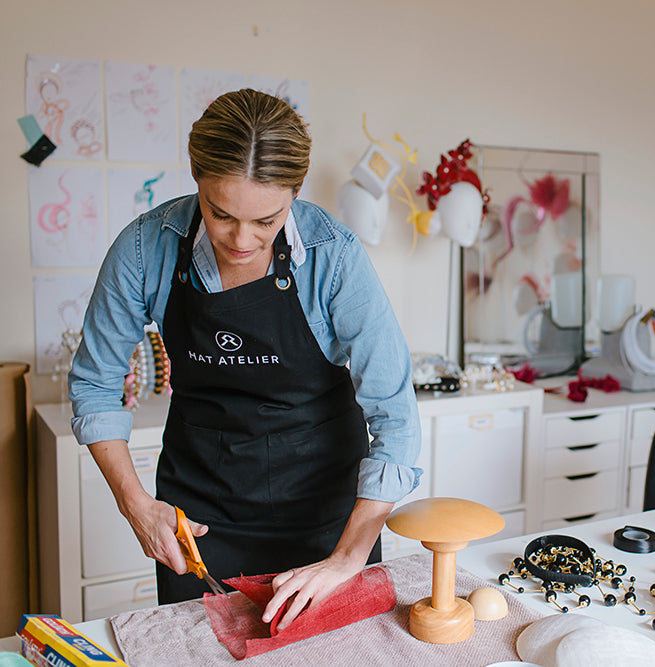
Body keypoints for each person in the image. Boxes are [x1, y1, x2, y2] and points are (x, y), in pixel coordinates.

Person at [68, 89, 420, 630]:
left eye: (267, 219)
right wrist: (134, 503)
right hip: (202, 515)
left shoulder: (334, 257)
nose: (242, 239)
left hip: (326, 516)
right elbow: (95, 384)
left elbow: (394, 413)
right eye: (221, 213)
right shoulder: (145, 249)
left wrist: (349, 557)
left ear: (296, 192)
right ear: (195, 176)